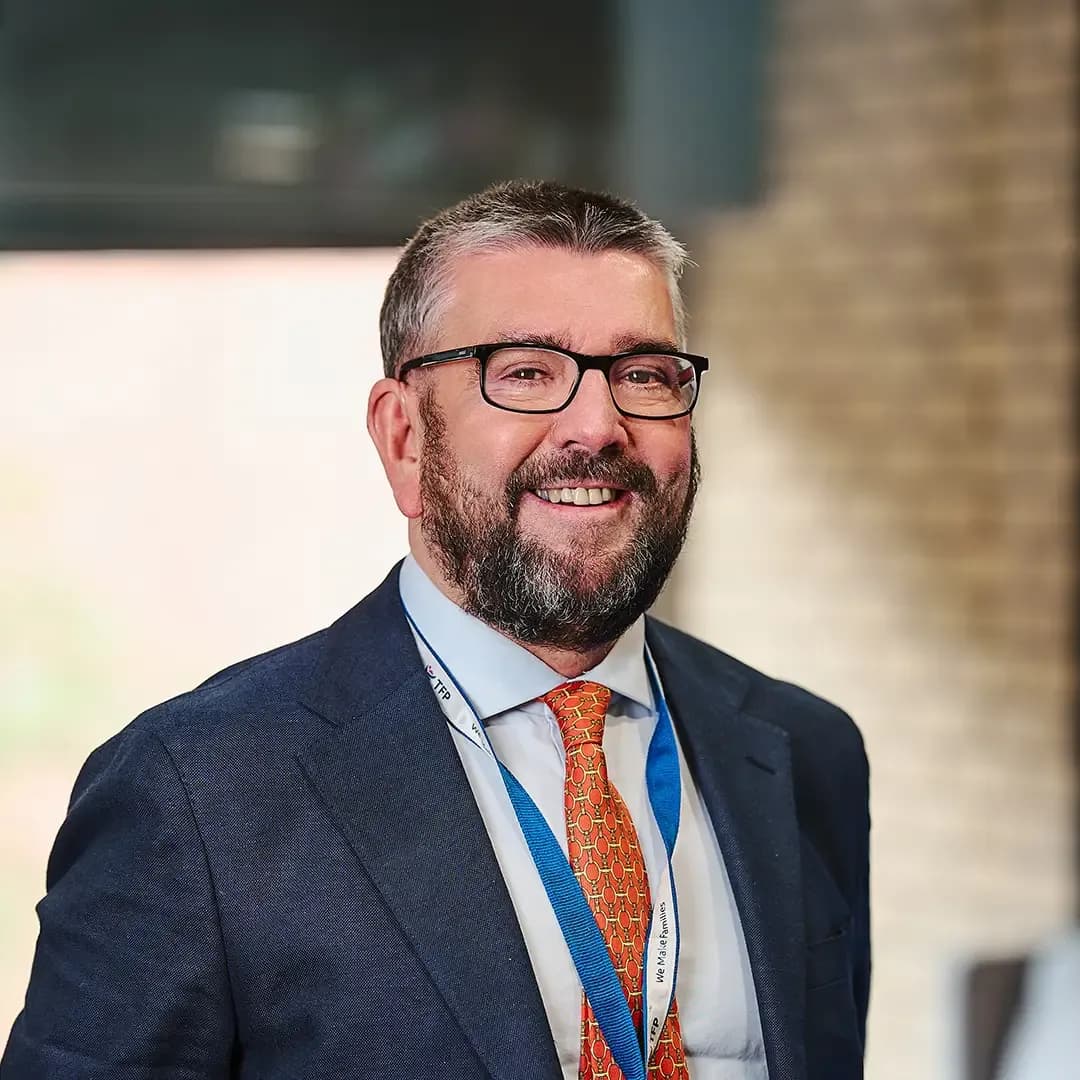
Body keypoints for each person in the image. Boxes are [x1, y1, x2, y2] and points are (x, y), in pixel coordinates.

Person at [1, 180, 870, 1080]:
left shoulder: (807, 754)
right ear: (406, 438)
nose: (598, 426)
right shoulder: (196, 797)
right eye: (527, 371)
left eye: (644, 375)